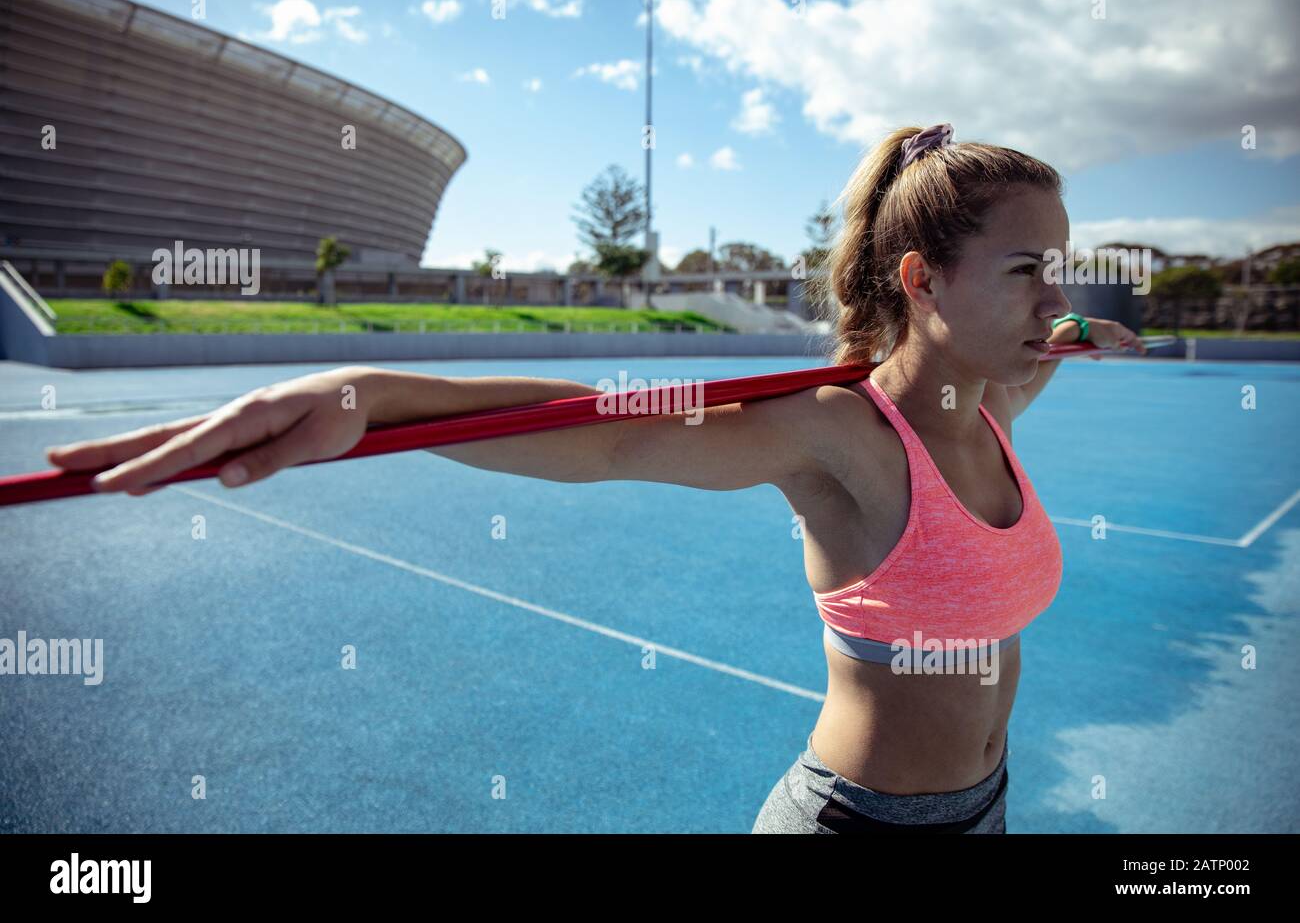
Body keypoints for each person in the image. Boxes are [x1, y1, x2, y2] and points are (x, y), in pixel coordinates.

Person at [45, 123, 1146, 833]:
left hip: (987, 811)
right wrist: (364, 395)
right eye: (1024, 268)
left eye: (1057, 266)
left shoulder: (994, 402)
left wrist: (1076, 323)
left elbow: (1063, 332)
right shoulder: (839, 430)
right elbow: (613, 434)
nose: (1052, 294)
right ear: (922, 279)